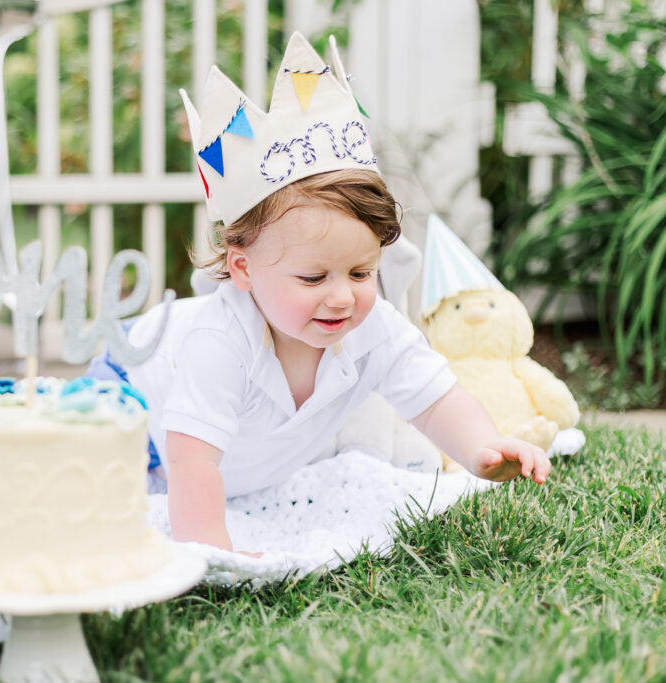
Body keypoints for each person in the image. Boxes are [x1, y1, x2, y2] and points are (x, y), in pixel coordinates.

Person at [89, 33, 550, 554]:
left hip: (237, 460)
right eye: (313, 278)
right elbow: (191, 460)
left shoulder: (374, 329)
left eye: (361, 273)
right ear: (242, 268)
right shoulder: (218, 343)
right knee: (85, 492)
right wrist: (214, 550)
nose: (342, 298)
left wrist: (481, 448)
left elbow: (435, 399)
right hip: (128, 390)